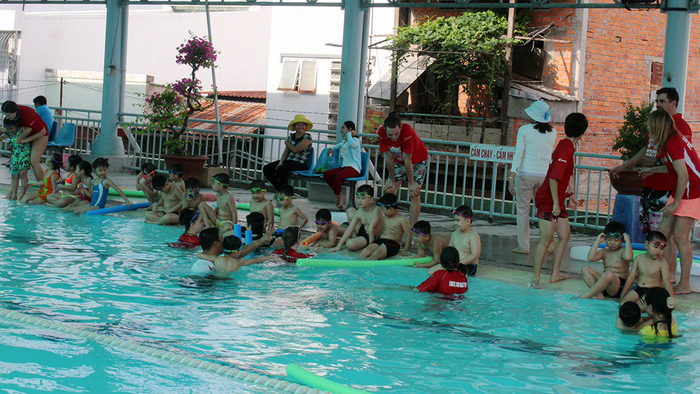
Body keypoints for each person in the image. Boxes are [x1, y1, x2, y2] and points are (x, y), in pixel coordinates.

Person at [610, 87, 692, 236]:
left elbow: (682, 160)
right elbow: (646, 149)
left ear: (673, 103)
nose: (658, 104)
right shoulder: (657, 123)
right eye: (657, 101)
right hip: (649, 184)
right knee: (651, 232)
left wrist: (657, 164)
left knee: (665, 235)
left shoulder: (681, 126)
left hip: (667, 187)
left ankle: (668, 261)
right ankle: (654, 260)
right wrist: (625, 167)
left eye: (662, 101)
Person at [638, 110, 700, 294]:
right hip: (683, 190)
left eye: (650, 126)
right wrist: (653, 171)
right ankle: (659, 276)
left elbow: (683, 175)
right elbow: (677, 168)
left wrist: (675, 203)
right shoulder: (672, 140)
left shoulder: (672, 143)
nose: (649, 129)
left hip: (692, 191)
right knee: (663, 234)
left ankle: (685, 283)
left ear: (657, 127)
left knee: (681, 238)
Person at [531, 113, 588, 288]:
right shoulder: (565, 148)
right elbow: (554, 178)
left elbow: (565, 176)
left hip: (557, 199)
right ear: (582, 131)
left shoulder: (568, 146)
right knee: (546, 240)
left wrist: (570, 196)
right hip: (548, 200)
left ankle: (555, 274)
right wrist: (556, 203)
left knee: (564, 236)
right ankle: (535, 278)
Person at [507, 100, 557, 255]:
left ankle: (524, 246)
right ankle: (550, 244)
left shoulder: (524, 130)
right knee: (544, 210)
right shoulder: (553, 132)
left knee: (522, 210)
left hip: (525, 174)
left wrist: (511, 176)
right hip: (544, 176)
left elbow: (519, 153)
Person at [377, 112, 429, 225]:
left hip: (417, 160)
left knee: (413, 193)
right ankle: (389, 225)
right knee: (390, 190)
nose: (393, 137)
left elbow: (408, 160)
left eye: (396, 133)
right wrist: (392, 178)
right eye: (390, 135)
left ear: (400, 128)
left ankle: (412, 229)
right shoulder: (381, 133)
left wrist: (411, 182)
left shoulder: (408, 133)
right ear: (385, 130)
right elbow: (389, 158)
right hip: (399, 160)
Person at [580, 221, 634, 299]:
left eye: (616, 240)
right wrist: (597, 242)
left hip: (617, 287)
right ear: (605, 239)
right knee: (585, 269)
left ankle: (588, 294)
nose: (612, 243)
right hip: (605, 284)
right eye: (609, 240)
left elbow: (629, 257)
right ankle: (599, 294)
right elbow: (591, 258)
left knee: (609, 274)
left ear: (622, 240)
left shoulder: (622, 251)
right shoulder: (604, 252)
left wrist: (628, 240)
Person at [620, 231, 675, 303]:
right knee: (623, 304)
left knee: (641, 306)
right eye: (656, 247)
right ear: (646, 245)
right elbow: (631, 278)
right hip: (639, 289)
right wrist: (622, 295)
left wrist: (671, 299)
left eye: (662, 248)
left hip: (654, 292)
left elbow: (666, 282)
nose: (659, 251)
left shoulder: (662, 263)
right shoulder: (638, 259)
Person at [1, 100, 49, 182]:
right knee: (16, 162)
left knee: (34, 161)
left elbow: (42, 131)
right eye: (5, 115)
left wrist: (25, 140)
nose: (7, 117)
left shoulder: (28, 114)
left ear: (15, 111)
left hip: (40, 134)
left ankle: (44, 188)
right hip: (25, 135)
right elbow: (14, 131)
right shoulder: (13, 116)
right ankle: (13, 193)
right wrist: (6, 136)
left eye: (8, 115)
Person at [263, 114, 313, 191]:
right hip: (289, 161)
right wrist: (281, 161)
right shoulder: (291, 136)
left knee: (281, 170)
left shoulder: (307, 137)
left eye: (303, 125)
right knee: (267, 168)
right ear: (295, 126)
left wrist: (286, 143)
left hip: (300, 163)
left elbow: (296, 150)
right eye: (298, 125)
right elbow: (287, 151)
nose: (301, 127)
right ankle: (281, 190)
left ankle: (285, 192)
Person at [331, 185, 383, 253]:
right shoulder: (360, 212)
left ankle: (358, 241)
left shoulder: (376, 210)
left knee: (350, 244)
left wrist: (370, 248)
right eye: (358, 198)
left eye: (363, 198)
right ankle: (354, 237)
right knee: (350, 210)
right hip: (364, 231)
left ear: (371, 200)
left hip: (373, 237)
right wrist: (339, 246)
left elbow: (371, 229)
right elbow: (350, 228)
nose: (359, 201)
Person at [323, 120, 362, 209]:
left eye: (343, 128)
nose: (341, 130)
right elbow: (337, 146)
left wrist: (350, 134)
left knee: (338, 177)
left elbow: (351, 144)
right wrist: (331, 149)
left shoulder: (355, 140)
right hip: (344, 167)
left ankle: (337, 197)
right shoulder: (344, 142)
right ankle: (340, 194)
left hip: (354, 168)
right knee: (327, 174)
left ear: (350, 129)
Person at [360, 193, 411, 260]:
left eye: (383, 209)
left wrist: (406, 250)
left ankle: (367, 263)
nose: (382, 212)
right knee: (365, 252)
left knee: (376, 254)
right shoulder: (384, 217)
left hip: (393, 244)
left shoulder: (401, 219)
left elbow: (409, 235)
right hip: (381, 240)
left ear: (390, 209)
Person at [4, 119, 31, 201]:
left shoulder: (21, 130)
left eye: (11, 128)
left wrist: (23, 138)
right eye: (8, 129)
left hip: (24, 156)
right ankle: (14, 195)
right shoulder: (9, 133)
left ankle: (22, 196)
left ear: (16, 125)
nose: (10, 130)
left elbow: (29, 129)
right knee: (14, 176)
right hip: (15, 157)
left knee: (23, 175)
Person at [449, 205, 481, 276]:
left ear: (467, 221)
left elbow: (475, 255)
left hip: (468, 266)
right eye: (454, 220)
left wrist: (459, 264)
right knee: (434, 271)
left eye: (458, 220)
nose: (455, 223)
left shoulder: (473, 236)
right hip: (455, 264)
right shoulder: (455, 234)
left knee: (453, 275)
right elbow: (449, 249)